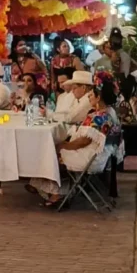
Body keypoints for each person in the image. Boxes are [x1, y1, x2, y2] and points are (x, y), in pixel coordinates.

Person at [29, 78, 122, 207]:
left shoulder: (98, 117)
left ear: (98, 97)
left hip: (88, 159)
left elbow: (82, 142)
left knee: (50, 153)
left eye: (91, 94)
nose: (89, 96)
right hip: (100, 158)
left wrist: (63, 146)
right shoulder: (109, 114)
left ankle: (56, 193)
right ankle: (54, 190)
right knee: (55, 151)